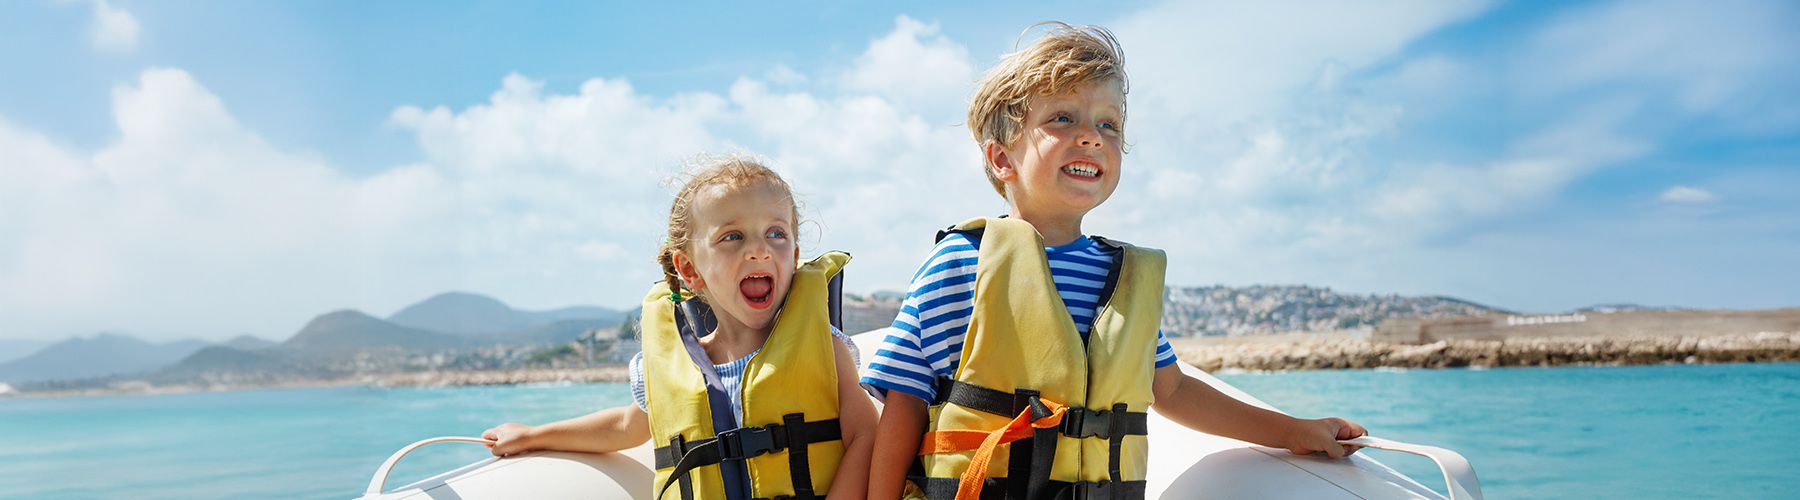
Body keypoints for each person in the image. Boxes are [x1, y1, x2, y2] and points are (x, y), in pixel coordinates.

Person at [860, 23, 1366, 500]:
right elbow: (904, 404)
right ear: (1001, 159)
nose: (1092, 135)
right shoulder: (961, 261)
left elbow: (1173, 389)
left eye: (1109, 123)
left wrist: (1294, 431)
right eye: (1062, 118)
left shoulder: (1121, 279)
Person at [483, 155, 877, 500]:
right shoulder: (674, 369)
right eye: (732, 236)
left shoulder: (827, 350)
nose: (759, 249)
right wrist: (533, 436)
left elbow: (865, 436)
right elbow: (625, 427)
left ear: (793, 256)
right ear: (689, 269)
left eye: (776, 234)